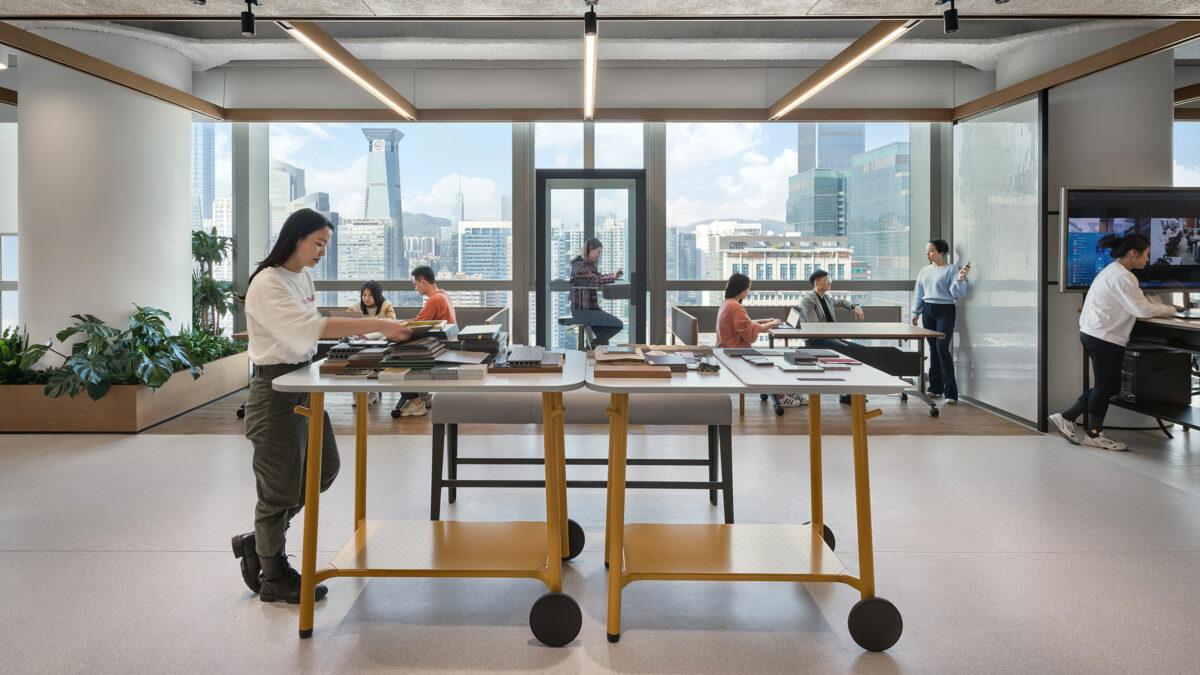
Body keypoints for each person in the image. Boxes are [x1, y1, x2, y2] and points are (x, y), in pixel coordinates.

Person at [231, 208, 411, 604]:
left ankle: (259, 541)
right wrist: (379, 324)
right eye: (318, 243)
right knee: (279, 490)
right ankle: (273, 574)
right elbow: (313, 326)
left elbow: (312, 332)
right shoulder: (268, 282)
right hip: (274, 391)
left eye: (326, 245)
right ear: (295, 237)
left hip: (303, 382)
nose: (321, 253)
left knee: (323, 470)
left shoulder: (301, 276)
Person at [1048, 232, 1177, 451]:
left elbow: (1135, 304)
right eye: (1145, 254)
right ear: (1133, 253)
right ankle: (1093, 434)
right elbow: (1141, 309)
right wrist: (1172, 309)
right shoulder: (1124, 277)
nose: (1148, 259)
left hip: (1096, 333)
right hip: (1104, 337)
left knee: (1107, 386)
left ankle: (1067, 417)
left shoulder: (1113, 271)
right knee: (1106, 386)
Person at [716, 274, 799, 409]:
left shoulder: (727, 303)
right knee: (773, 362)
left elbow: (744, 325)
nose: (748, 291)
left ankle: (786, 392)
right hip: (735, 352)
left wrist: (765, 321)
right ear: (741, 289)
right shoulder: (736, 307)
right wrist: (770, 324)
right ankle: (782, 397)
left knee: (772, 358)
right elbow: (748, 332)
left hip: (726, 349)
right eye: (747, 288)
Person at [911, 239, 970, 405]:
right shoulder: (924, 271)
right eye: (927, 251)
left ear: (941, 252)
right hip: (928, 310)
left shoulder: (952, 269)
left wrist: (959, 279)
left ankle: (950, 392)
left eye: (931, 251)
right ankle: (935, 388)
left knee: (942, 348)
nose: (928, 254)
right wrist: (915, 312)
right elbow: (919, 292)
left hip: (945, 310)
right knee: (933, 348)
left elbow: (957, 293)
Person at [395, 266, 457, 417]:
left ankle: (416, 403)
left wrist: (396, 325)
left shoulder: (435, 300)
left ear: (423, 282)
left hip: (439, 350)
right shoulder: (443, 295)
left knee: (397, 359)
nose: (416, 288)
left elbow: (417, 325)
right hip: (445, 346)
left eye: (416, 284)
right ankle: (425, 395)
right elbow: (421, 322)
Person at [799, 269, 866, 406]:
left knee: (861, 350)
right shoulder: (808, 300)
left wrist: (855, 305)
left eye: (829, 279)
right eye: (826, 280)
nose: (829, 282)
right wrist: (835, 339)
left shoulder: (826, 298)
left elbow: (841, 302)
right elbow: (814, 327)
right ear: (817, 283)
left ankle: (850, 392)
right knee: (849, 352)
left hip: (830, 338)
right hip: (816, 341)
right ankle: (846, 394)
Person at [347, 280, 395, 407]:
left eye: (370, 295)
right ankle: (356, 394)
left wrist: (367, 336)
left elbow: (390, 324)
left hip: (379, 342)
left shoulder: (386, 305)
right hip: (360, 342)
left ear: (378, 295)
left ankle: (372, 393)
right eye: (364, 295)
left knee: (371, 359)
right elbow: (345, 319)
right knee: (353, 361)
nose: (366, 298)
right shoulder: (358, 306)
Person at [570, 238, 625, 346]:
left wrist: (613, 276)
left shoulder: (588, 265)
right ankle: (590, 348)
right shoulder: (580, 265)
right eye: (598, 252)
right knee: (618, 324)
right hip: (582, 310)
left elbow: (598, 277)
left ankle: (592, 352)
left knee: (604, 340)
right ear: (590, 249)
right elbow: (594, 280)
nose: (599, 255)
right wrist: (612, 276)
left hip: (589, 309)